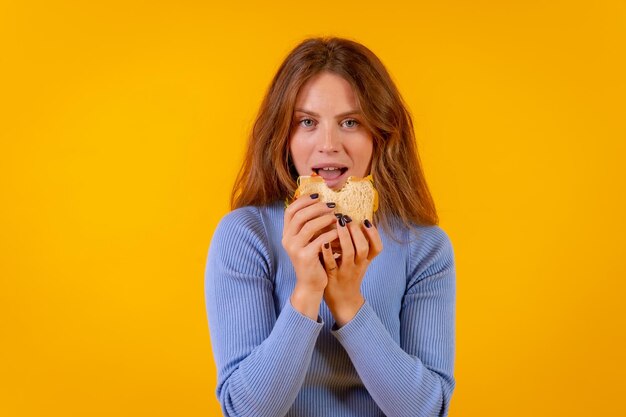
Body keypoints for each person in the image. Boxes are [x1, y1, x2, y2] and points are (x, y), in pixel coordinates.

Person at [204, 36, 456, 417]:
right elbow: (245, 411)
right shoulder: (245, 236)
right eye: (307, 122)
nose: (328, 144)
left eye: (350, 122)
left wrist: (348, 301)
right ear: (283, 138)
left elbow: (426, 410)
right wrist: (308, 291)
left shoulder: (424, 247)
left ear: (380, 135)